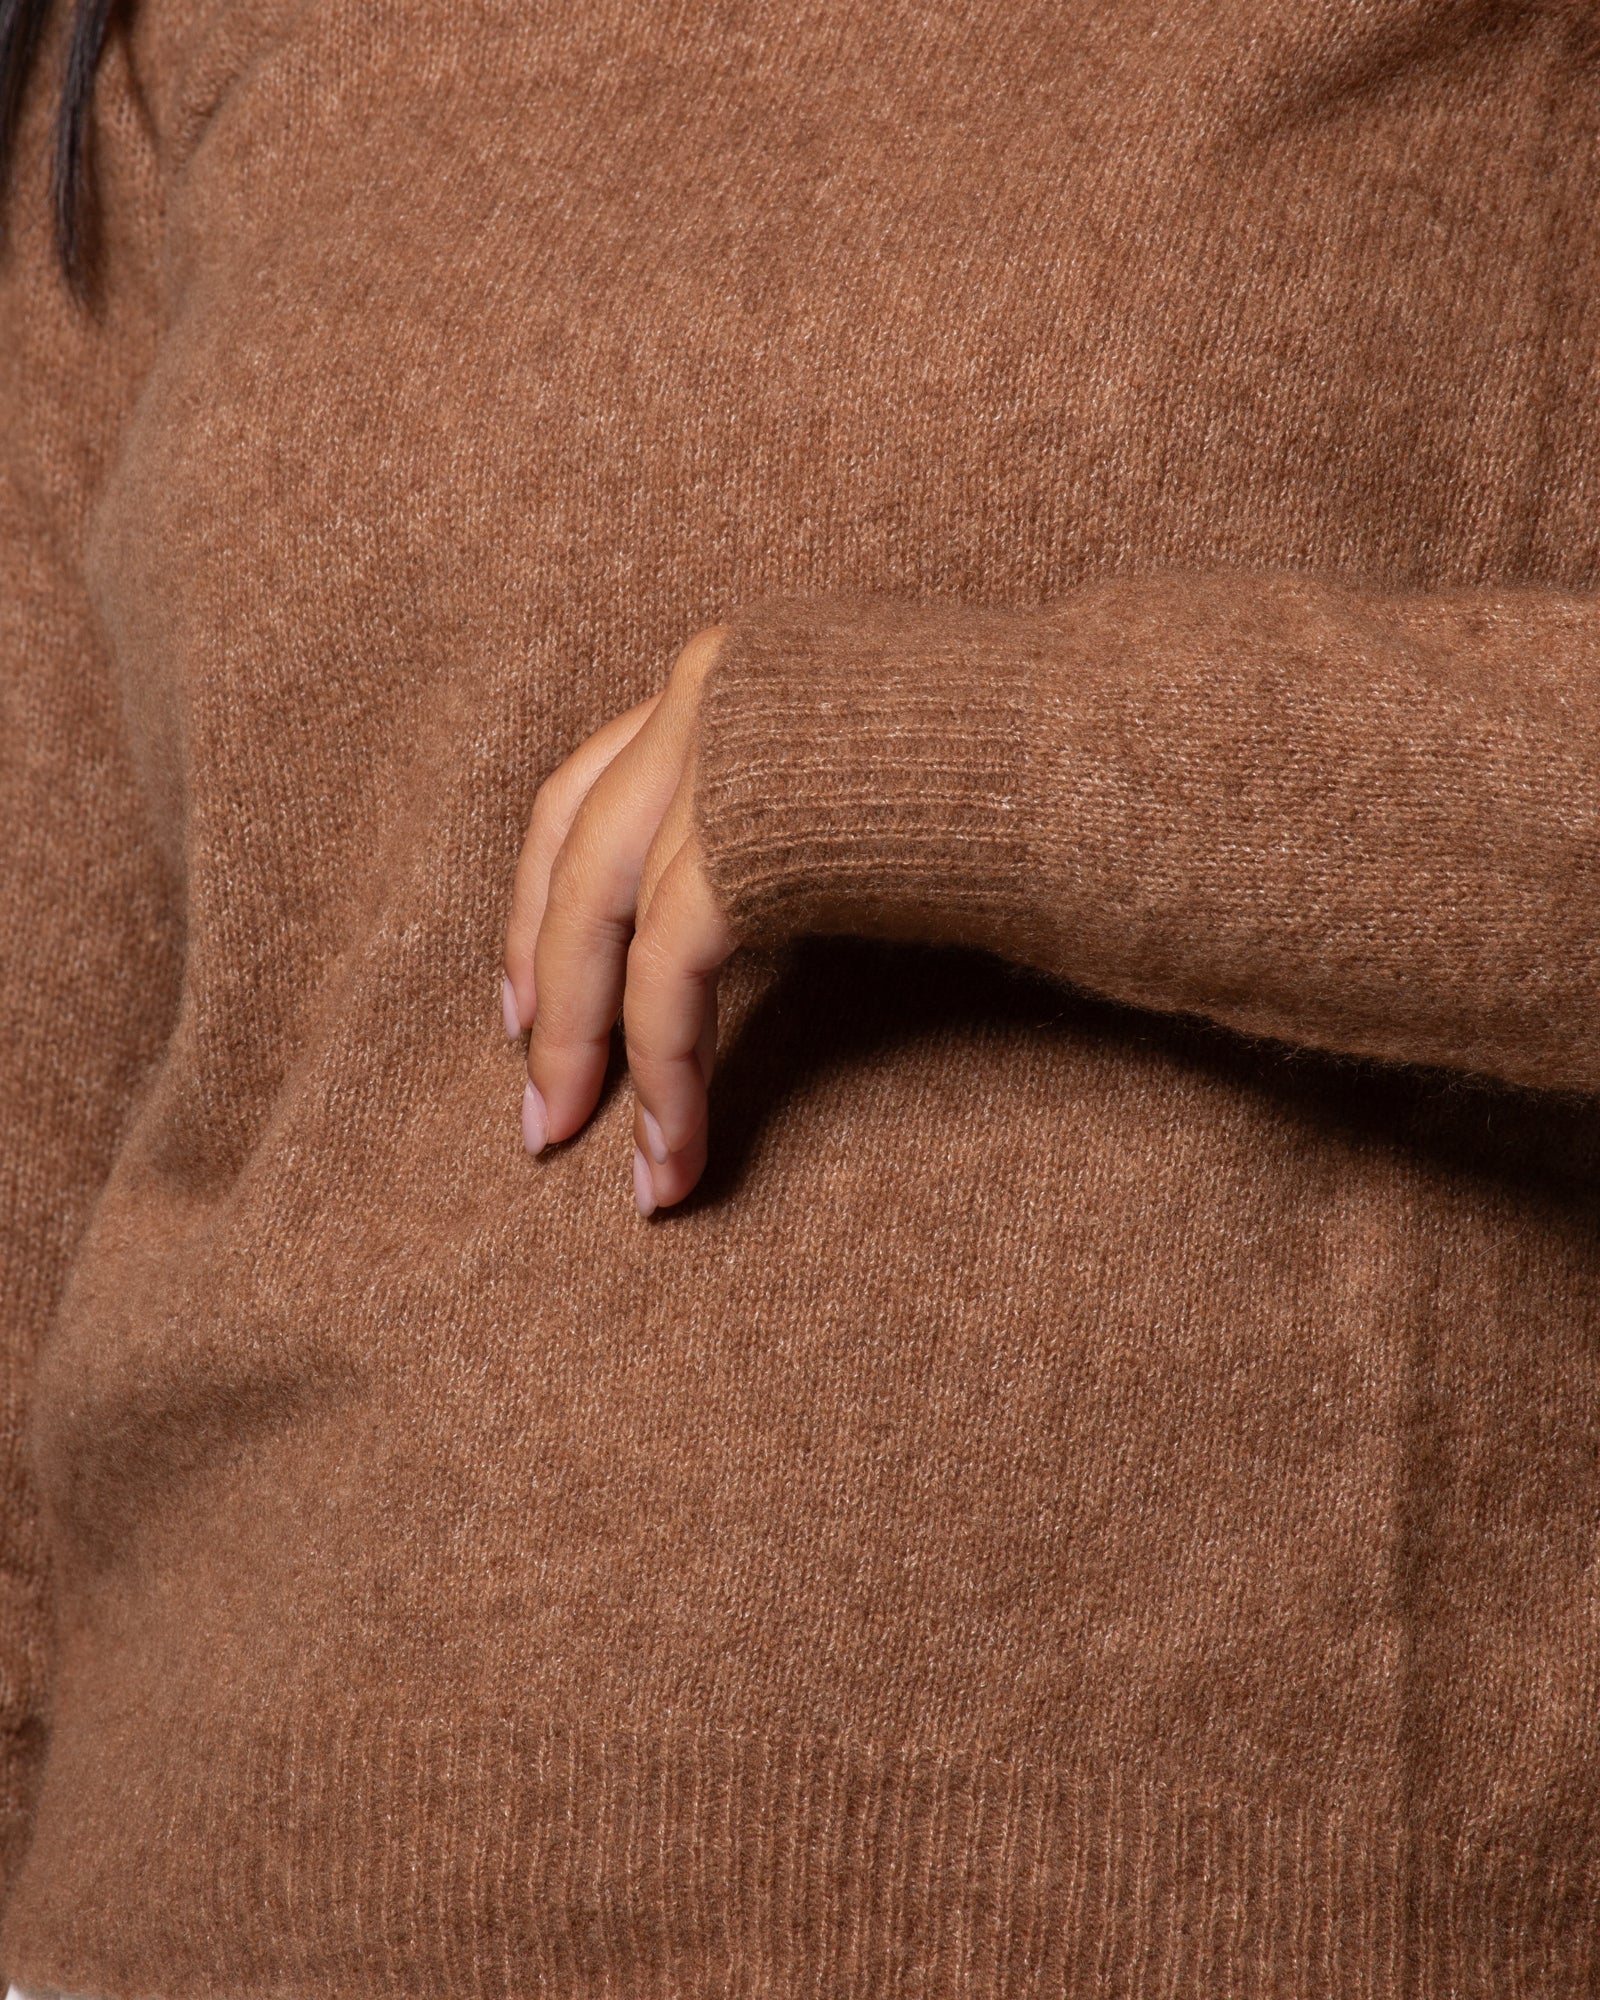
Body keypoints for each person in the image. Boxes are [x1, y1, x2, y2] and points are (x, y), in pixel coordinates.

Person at [2, 0, 1598, 1993]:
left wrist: (949, 754)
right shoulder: (170, 41)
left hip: (1228, 1899)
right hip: (208, 1904)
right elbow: (42, 1086)